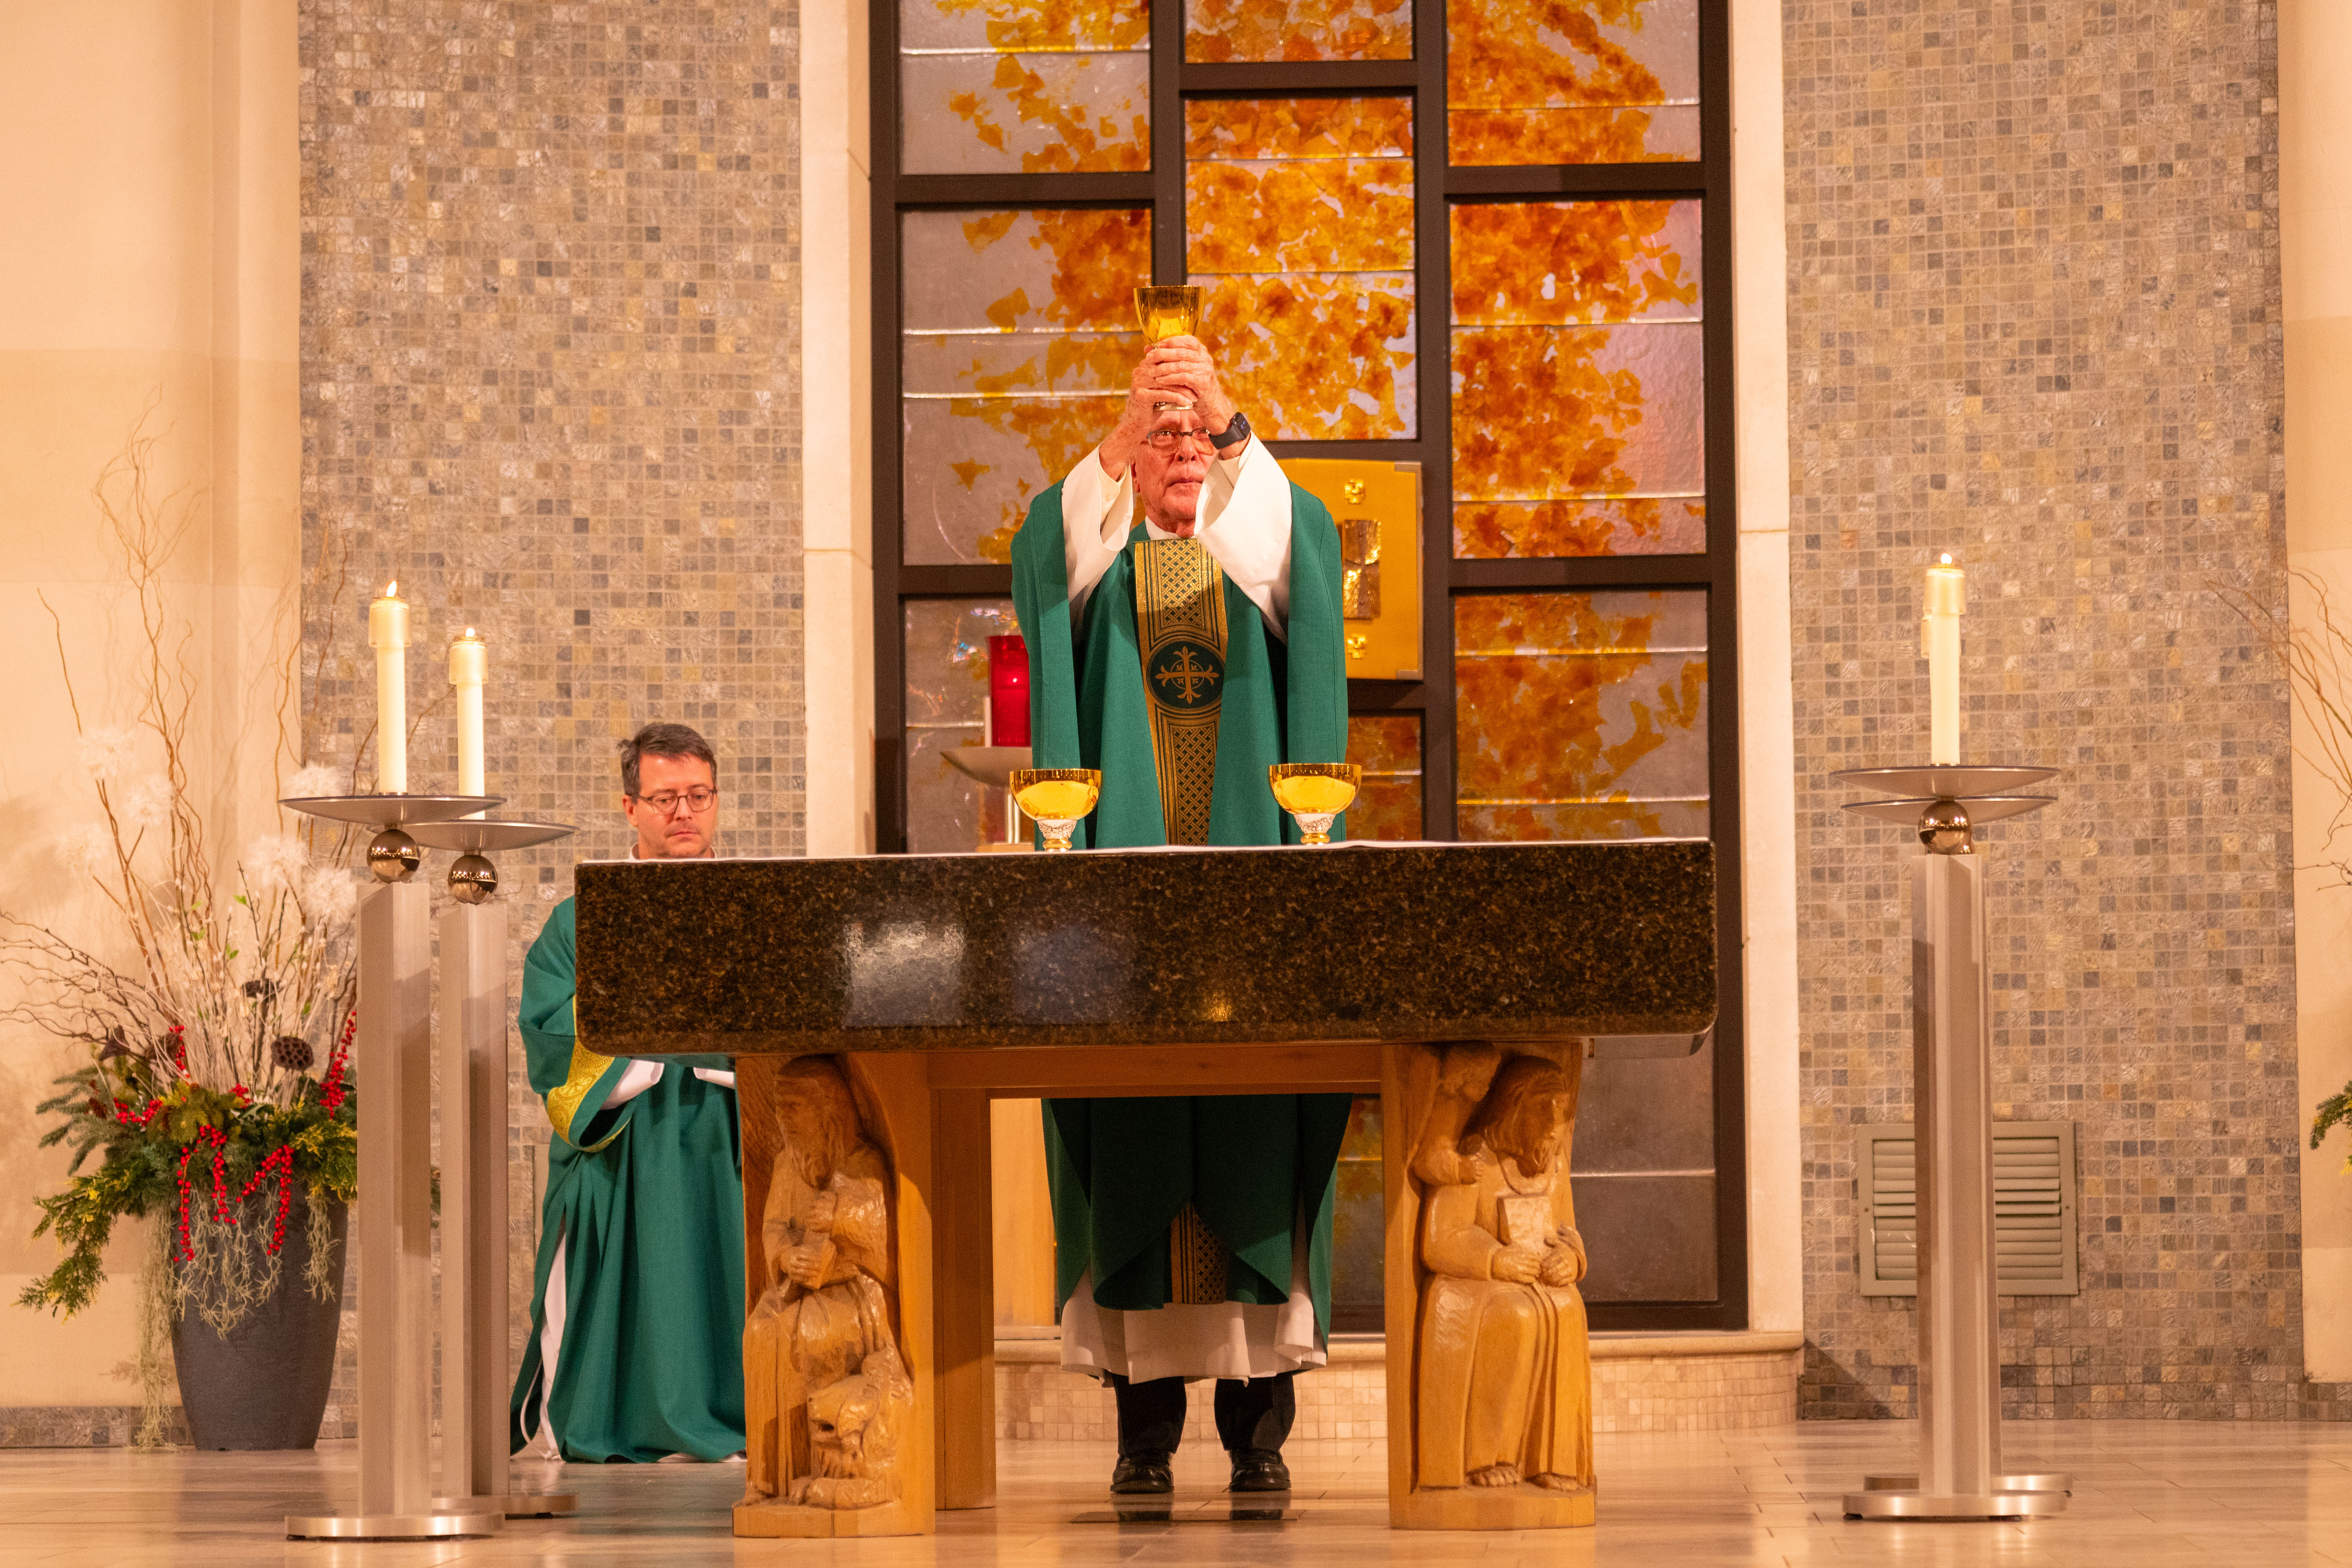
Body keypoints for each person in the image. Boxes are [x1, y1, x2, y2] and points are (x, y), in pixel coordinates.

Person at [1009, 332, 1354, 1495]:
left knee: (1258, 1134)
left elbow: (1302, 550)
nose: (1180, 456)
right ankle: (1143, 1438)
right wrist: (1120, 439)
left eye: (1196, 442)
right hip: (1127, 918)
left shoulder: (1257, 555)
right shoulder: (1099, 565)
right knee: (1135, 1137)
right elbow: (1045, 560)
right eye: (1160, 442)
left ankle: (1258, 1441)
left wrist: (1226, 417)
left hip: (1256, 905)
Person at [509, 722, 747, 1463]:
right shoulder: (580, 918)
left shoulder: (756, 903)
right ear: (630, 807)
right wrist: (652, 1055)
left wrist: (704, 1052)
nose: (684, 812)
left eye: (698, 795)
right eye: (665, 798)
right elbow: (550, 1029)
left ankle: (744, 1418)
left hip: (729, 1132)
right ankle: (608, 1421)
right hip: (625, 1139)